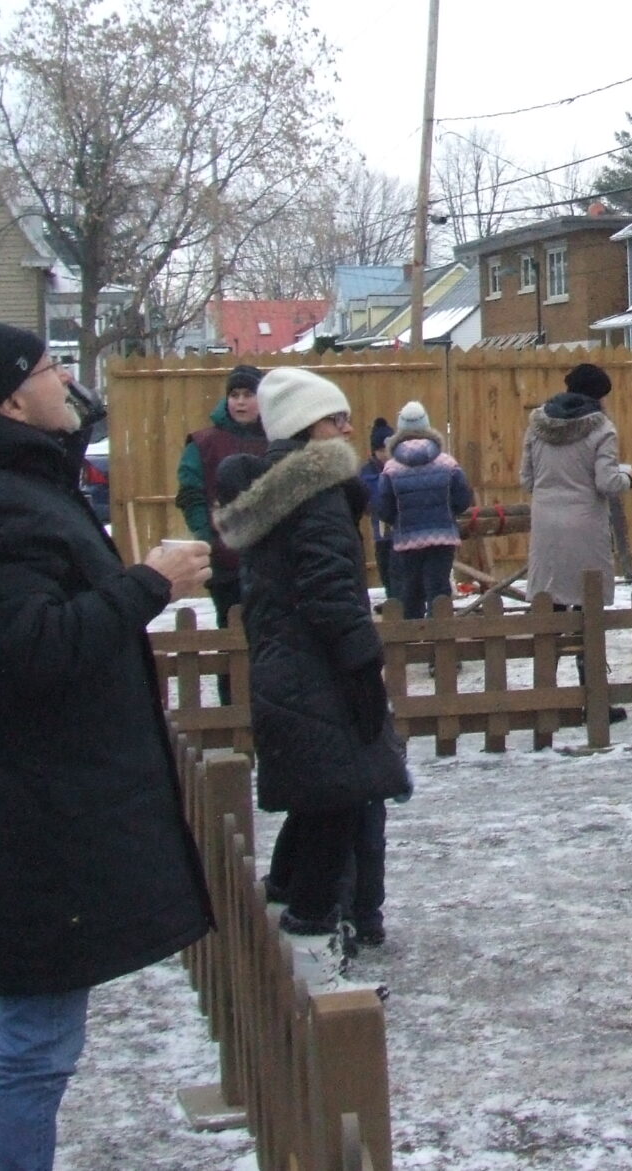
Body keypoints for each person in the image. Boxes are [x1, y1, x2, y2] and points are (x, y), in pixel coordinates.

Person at [0, 315, 213, 1171]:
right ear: (10, 399)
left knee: (42, 1030)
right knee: (36, 1038)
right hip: (35, 810)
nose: (66, 381)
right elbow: (35, 649)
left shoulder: (12, 483)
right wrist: (150, 582)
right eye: (48, 368)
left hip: (41, 797)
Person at [212, 367, 408, 951]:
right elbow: (331, 591)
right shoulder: (316, 490)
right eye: (334, 419)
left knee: (318, 800)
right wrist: (362, 668)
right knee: (336, 804)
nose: (347, 428)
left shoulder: (274, 491)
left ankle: (286, 905)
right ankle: (312, 937)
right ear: (305, 426)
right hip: (320, 670)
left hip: (287, 667)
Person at [521, 362, 631, 605]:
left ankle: (552, 630)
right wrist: (627, 477)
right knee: (587, 596)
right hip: (586, 520)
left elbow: (527, 480)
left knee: (549, 596)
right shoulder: (602, 428)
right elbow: (607, 483)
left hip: (545, 521)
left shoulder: (537, 426)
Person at [173, 365, 265, 633]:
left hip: (272, 562)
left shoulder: (277, 439)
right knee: (231, 632)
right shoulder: (204, 443)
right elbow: (191, 494)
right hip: (226, 562)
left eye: (248, 394)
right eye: (234, 395)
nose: (240, 402)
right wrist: (207, 537)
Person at [373, 402, 473, 621]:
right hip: (442, 537)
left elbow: (384, 508)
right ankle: (441, 636)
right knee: (439, 591)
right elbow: (463, 499)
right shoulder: (447, 463)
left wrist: (399, 520)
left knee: (410, 593)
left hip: (407, 540)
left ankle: (413, 636)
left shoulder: (391, 468)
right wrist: (447, 514)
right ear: (427, 426)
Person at [356, 418, 394, 600]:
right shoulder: (368, 472)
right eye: (381, 450)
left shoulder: (399, 468)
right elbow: (367, 500)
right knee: (385, 569)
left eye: (388, 449)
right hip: (381, 532)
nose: (385, 454)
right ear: (374, 451)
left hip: (400, 533)